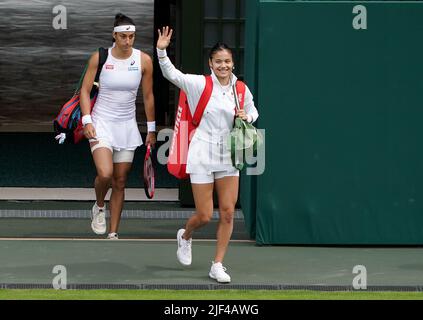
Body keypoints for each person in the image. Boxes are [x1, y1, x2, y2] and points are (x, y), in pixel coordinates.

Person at [156, 26, 259, 283]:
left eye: (227, 61)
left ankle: (217, 264)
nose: (223, 65)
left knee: (227, 212)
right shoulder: (198, 84)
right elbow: (172, 74)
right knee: (204, 214)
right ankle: (186, 235)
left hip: (229, 156)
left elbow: (253, 111)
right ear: (210, 63)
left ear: (233, 63)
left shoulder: (241, 90)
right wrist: (161, 50)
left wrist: (248, 116)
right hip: (202, 152)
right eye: (218, 61)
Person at [80, 13, 156, 240]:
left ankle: (113, 231)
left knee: (120, 181)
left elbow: (149, 96)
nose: (128, 41)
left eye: (131, 36)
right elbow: (84, 91)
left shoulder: (144, 61)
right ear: (114, 35)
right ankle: (99, 207)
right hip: (101, 122)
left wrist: (151, 129)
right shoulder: (99, 58)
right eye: (123, 36)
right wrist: (87, 120)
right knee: (105, 174)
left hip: (127, 125)